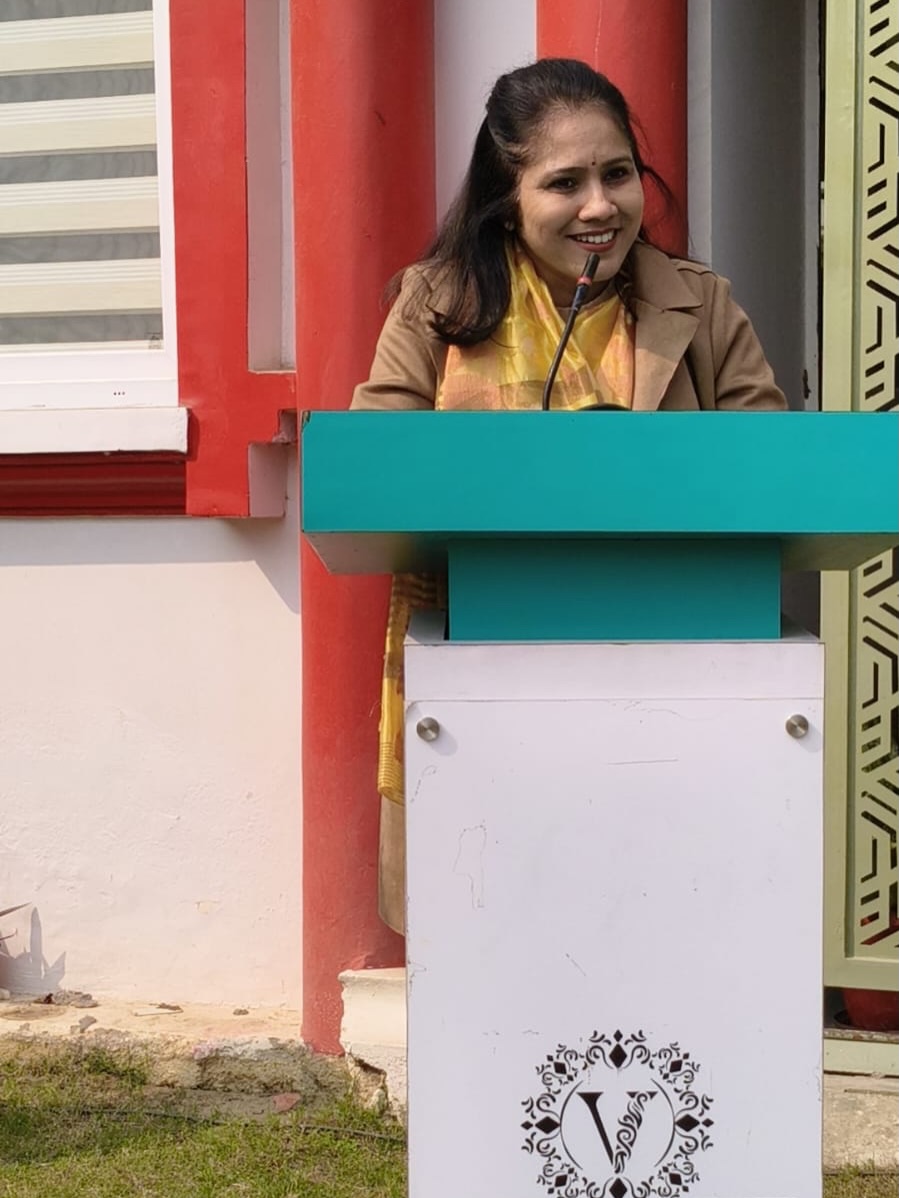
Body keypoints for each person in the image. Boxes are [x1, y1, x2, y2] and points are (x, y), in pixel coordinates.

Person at [350, 58, 787, 931]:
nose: (599, 207)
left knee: (656, 922)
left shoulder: (699, 305)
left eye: (617, 174)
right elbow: (373, 471)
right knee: (503, 927)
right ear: (506, 196)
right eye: (564, 183)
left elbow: (771, 471)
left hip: (670, 676)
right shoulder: (434, 305)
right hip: (478, 677)